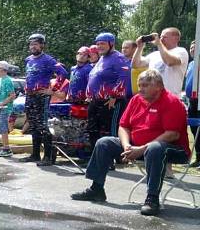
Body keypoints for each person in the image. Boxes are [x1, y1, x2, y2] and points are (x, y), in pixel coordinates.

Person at [71, 70, 189, 216]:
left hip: (173, 150)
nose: (140, 89)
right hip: (136, 146)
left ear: (158, 86)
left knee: (155, 148)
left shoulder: (171, 102)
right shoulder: (136, 99)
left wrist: (141, 149)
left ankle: (152, 199)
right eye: (139, 85)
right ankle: (96, 189)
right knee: (104, 142)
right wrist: (127, 145)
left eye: (145, 85)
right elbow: (123, 126)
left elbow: (172, 134)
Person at [20, 33, 68, 166]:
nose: (33, 46)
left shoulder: (48, 60)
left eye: (36, 44)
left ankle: (47, 157)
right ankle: (35, 154)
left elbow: (63, 73)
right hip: (30, 96)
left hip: (42, 97)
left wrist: (52, 90)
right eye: (31, 44)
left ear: (42, 45)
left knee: (44, 125)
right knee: (33, 125)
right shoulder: (28, 59)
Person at [85, 33, 129, 153]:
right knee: (92, 129)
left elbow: (124, 77)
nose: (99, 46)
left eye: (102, 44)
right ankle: (97, 157)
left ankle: (113, 158)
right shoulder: (102, 59)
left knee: (110, 130)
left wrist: (114, 96)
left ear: (111, 44)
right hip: (96, 100)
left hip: (111, 101)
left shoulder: (118, 58)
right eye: (98, 44)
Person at [132, 27, 189, 97]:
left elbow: (169, 62)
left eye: (164, 37)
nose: (161, 39)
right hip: (151, 98)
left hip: (170, 98)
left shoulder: (181, 51)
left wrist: (159, 44)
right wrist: (139, 47)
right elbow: (135, 65)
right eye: (160, 37)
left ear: (176, 38)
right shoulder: (155, 54)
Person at [0, 61, 16, 157]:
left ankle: (6, 149)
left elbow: (12, 95)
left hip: (5, 109)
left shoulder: (7, 80)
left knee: (3, 128)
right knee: (1, 128)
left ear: (2, 69)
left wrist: (2, 104)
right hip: (1, 108)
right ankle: (5, 148)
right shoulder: (2, 80)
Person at [185, 41, 200, 167]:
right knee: (194, 129)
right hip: (191, 101)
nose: (192, 50)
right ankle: (198, 157)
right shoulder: (190, 64)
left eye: (195, 48)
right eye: (191, 48)